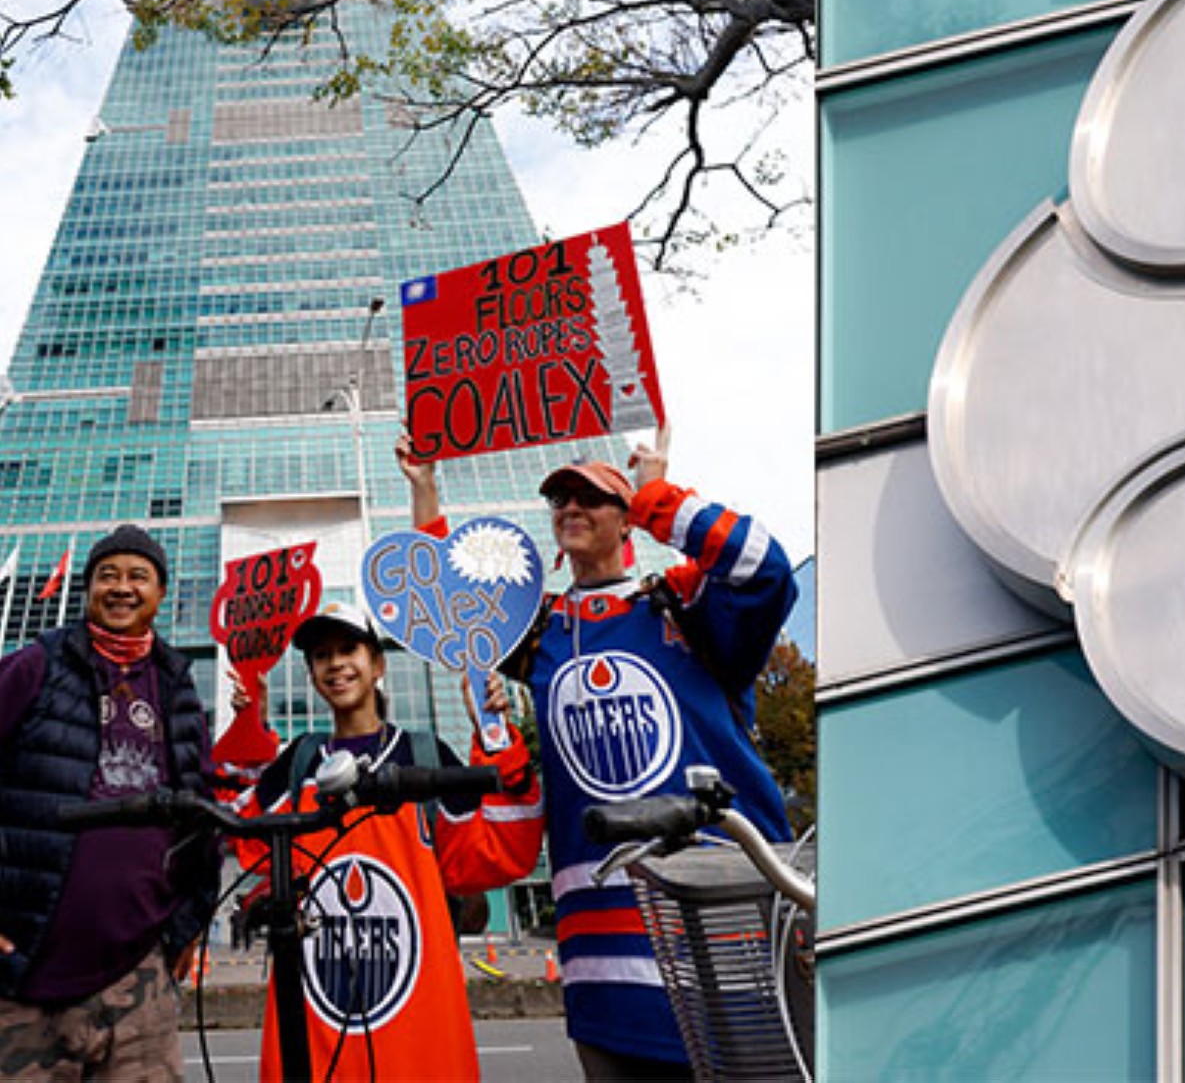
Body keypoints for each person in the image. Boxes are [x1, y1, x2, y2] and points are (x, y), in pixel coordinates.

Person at [399, 426, 794, 1081]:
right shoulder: (546, 628)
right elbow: (447, 609)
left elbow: (765, 569)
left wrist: (660, 497)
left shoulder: (680, 603)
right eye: (560, 499)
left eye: (591, 497)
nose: (570, 509)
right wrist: (426, 490)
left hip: (720, 936)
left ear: (627, 519)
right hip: (599, 962)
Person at [223, 603, 542, 1081]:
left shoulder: (426, 757)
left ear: (378, 665)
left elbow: (500, 850)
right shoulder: (299, 763)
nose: (335, 664)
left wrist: (494, 734)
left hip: (416, 1021)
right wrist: (250, 728)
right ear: (311, 674)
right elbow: (236, 828)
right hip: (313, 1013)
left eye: (349, 649)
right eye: (321, 655)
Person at [0, 526, 220, 1082]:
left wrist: (188, 921)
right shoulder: (34, 665)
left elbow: (202, 812)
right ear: (89, 588)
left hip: (138, 977)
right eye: (109, 575)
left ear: (160, 593)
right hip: (25, 977)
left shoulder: (177, 686)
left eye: (138, 576)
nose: (123, 587)